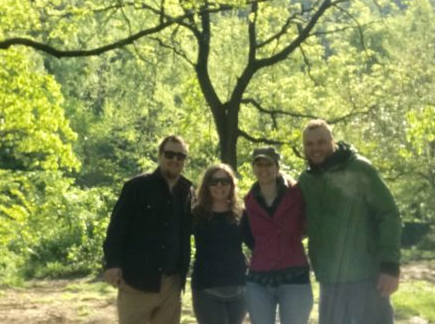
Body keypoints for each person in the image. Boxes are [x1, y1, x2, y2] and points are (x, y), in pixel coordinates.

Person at [298, 119, 401, 324]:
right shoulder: (306, 181)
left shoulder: (359, 169)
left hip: (366, 275)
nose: (315, 148)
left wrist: (390, 265)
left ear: (332, 141)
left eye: (321, 142)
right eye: (309, 144)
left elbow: (388, 215)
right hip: (329, 279)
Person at [102, 135, 195, 324]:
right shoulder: (137, 187)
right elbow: (117, 228)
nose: (175, 160)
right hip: (137, 281)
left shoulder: (188, 191)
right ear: (160, 156)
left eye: (180, 156)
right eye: (169, 154)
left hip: (172, 283)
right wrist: (112, 263)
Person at [241, 147, 313, 324]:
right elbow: (249, 236)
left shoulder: (297, 193)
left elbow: (309, 223)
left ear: (277, 166)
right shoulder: (248, 201)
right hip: (259, 279)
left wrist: (290, 242)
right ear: (253, 167)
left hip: (294, 275)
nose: (264, 169)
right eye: (259, 164)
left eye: (268, 164)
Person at [191, 164, 247, 324]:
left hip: (239, 286)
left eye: (224, 181)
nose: (219, 186)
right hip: (207, 287)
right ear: (206, 185)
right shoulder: (195, 214)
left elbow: (257, 243)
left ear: (232, 184)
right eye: (214, 182)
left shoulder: (241, 213)